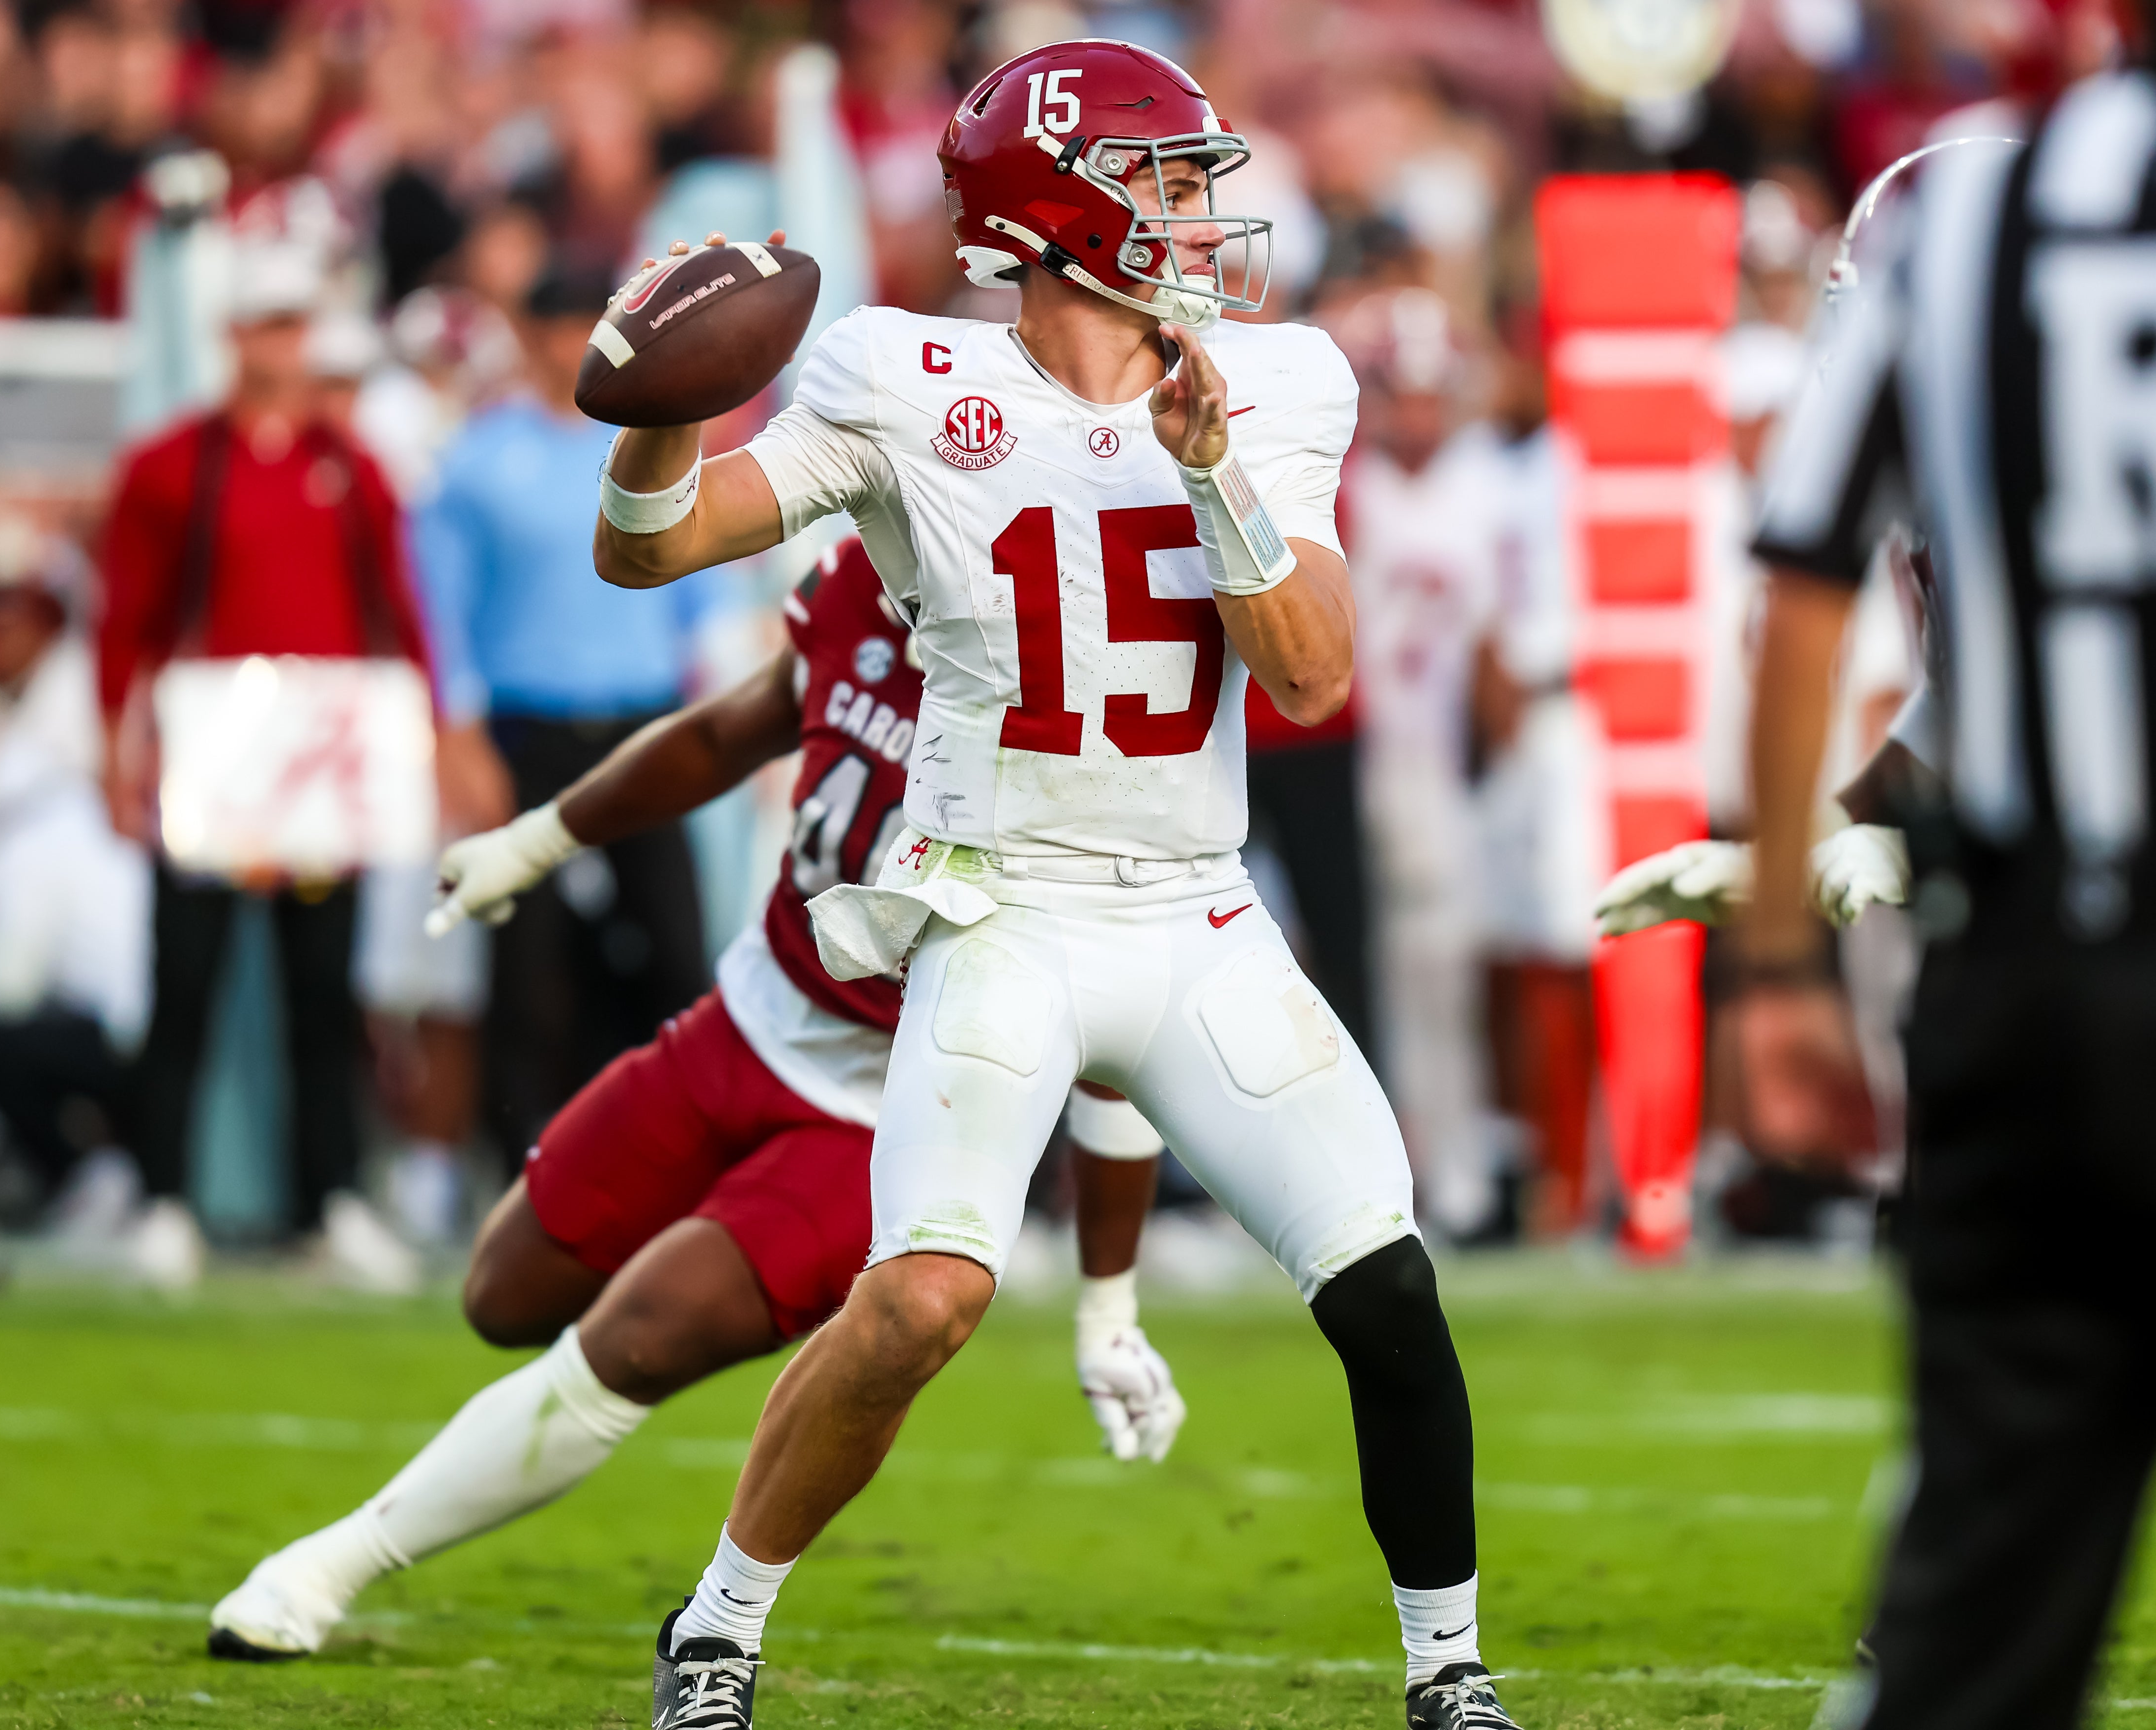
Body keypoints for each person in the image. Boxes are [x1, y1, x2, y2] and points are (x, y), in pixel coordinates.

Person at [595, 41, 1521, 1730]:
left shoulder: (1283, 380)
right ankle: (717, 1627)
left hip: (1192, 909)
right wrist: (657, 412)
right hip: (1001, 906)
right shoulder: (901, 377)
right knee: (923, 1301)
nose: (1200, 213)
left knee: (1386, 1283)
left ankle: (1449, 1673)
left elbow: (1309, 679)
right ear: (1058, 208)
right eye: (1165, 179)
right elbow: (653, 542)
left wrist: (1210, 470)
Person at [1737, 0, 2156, 1725]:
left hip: (2030, 988)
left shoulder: (1960, 219)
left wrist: (1771, 965)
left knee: (1983, 1601)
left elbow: (1801, 590)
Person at [206, 538, 1186, 1658]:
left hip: (890, 1116)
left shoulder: (1083, 686)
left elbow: (1122, 1038)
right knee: (504, 1293)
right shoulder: (869, 574)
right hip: (745, 1019)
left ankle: (322, 1573)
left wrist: (1108, 1302)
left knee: (630, 1343)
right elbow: (730, 730)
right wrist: (539, 839)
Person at [94, 243, 442, 1291]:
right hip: (212, 758)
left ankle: (323, 1200)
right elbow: (129, 625)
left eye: (295, 324)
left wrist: (417, 740)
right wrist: (122, 746)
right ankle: (161, 1199)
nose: (281, 344)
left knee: (320, 989)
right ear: (231, 335)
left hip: (322, 765)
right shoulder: (170, 466)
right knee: (186, 980)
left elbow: (398, 612)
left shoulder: (353, 469)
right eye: (265, 323)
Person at [410, 261, 711, 1170]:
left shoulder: (655, 442)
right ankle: (521, 1162)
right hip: (528, 725)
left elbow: (701, 603)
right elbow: (440, 612)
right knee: (526, 959)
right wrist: (455, 738)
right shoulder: (477, 457)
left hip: (645, 719)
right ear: (533, 337)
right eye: (564, 325)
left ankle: (685, 1152)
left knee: (675, 949)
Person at [1334, 287, 1509, 1239]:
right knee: (1338, 973)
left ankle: (1459, 1172)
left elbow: (1499, 650)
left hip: (1442, 764)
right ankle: (1367, 1177)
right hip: (1349, 751)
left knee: (1443, 974)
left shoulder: (1485, 485)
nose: (1414, 412)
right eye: (1396, 392)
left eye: (1427, 392)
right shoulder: (1346, 482)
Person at [0, 514, 153, 1233]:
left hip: (118, 1028)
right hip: (114, 1020)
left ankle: (91, 1177)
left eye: (15, 613)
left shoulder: (49, 769)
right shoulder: (19, 722)